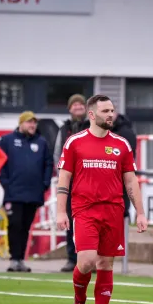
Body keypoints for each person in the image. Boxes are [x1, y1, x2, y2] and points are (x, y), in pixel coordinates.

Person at [55, 95, 147, 304]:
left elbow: (130, 180)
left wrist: (140, 212)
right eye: (105, 110)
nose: (110, 114)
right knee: (86, 262)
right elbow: (64, 178)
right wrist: (59, 210)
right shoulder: (74, 142)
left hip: (113, 211)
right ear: (92, 115)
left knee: (106, 263)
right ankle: (79, 301)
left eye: (112, 110)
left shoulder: (122, 144)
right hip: (84, 210)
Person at [0, 111, 53, 272]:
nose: (32, 125)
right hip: (13, 193)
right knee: (14, 225)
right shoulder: (7, 141)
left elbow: (48, 164)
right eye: (29, 122)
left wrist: (45, 183)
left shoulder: (41, 142)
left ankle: (20, 259)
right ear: (21, 124)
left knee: (25, 227)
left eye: (34, 123)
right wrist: (5, 183)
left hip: (34, 193)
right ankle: (14, 259)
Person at [56, 94, 88, 273]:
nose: (78, 107)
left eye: (81, 104)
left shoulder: (93, 127)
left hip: (89, 183)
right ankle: (72, 258)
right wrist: (63, 178)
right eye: (74, 104)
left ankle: (89, 259)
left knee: (90, 222)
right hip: (70, 184)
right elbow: (57, 155)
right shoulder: (64, 129)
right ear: (69, 109)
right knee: (69, 222)